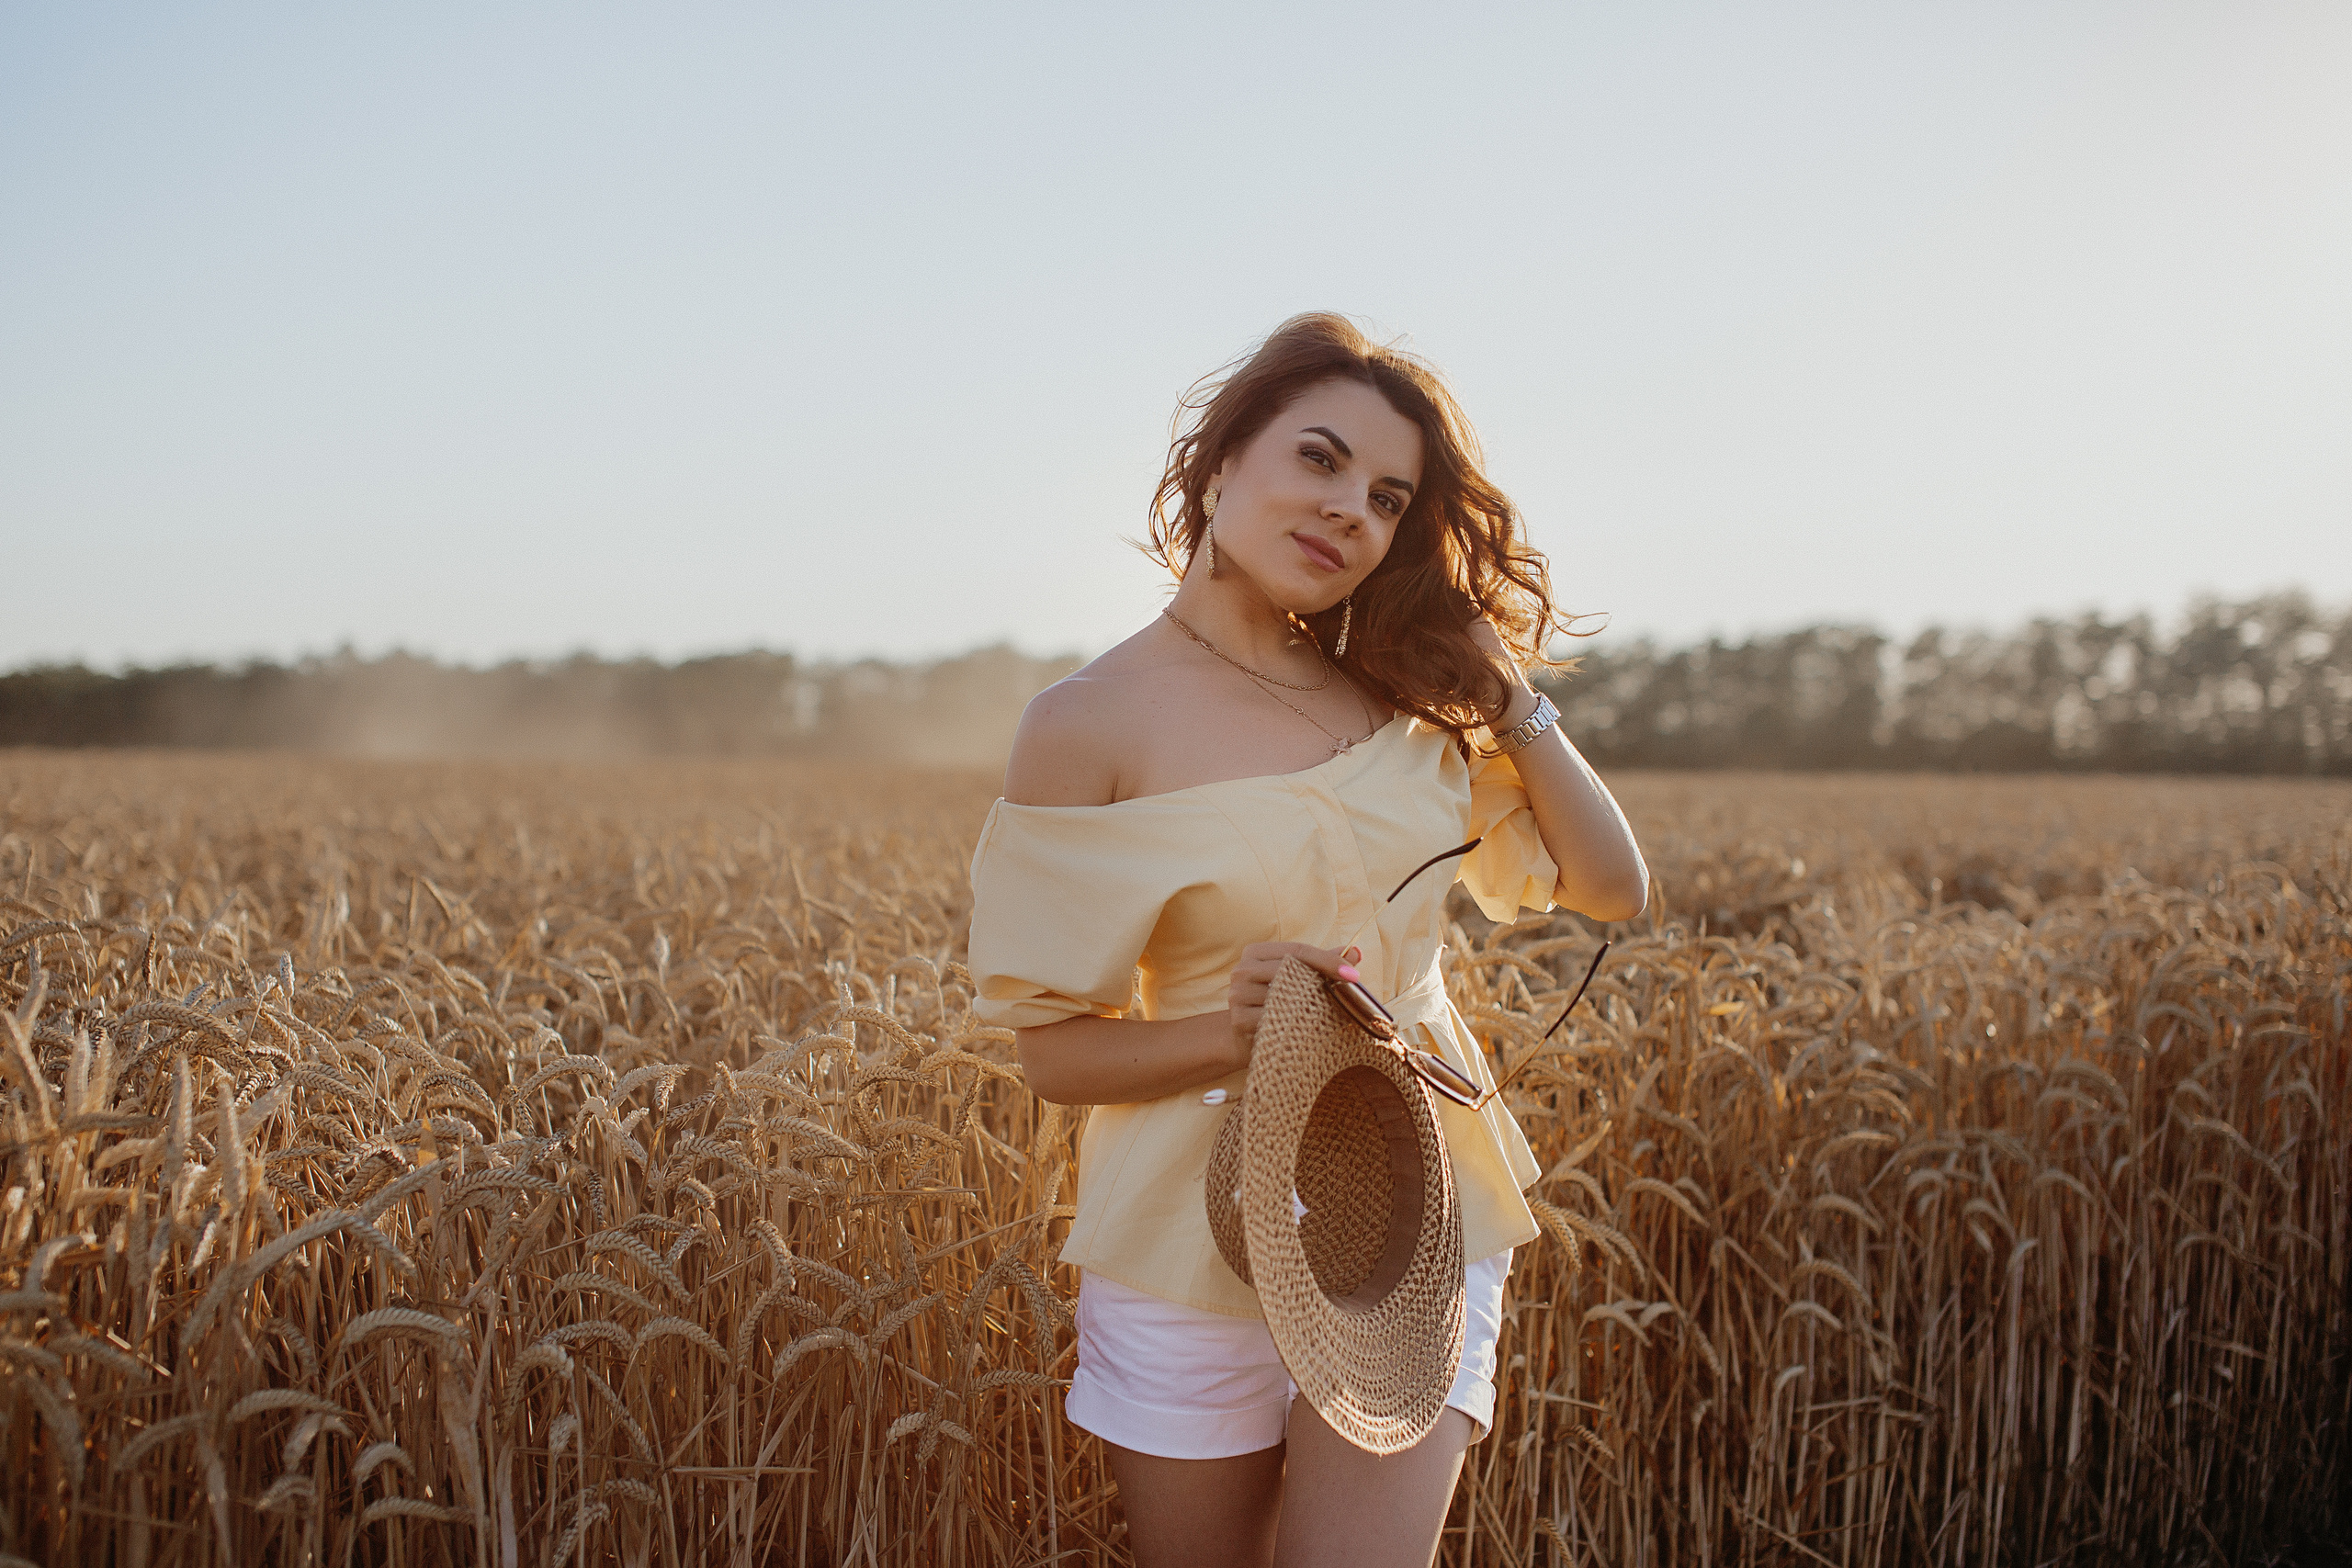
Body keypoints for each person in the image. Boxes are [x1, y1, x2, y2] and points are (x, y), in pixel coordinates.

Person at [966, 313, 1646, 1568]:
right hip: (1186, 1229)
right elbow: (1054, 1053)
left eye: (1388, 498)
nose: (1350, 511)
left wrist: (1507, 693)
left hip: (1410, 1199)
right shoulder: (1087, 723)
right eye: (1320, 460)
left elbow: (1612, 887)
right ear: (1222, 462)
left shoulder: (1400, 694)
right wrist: (1229, 1032)